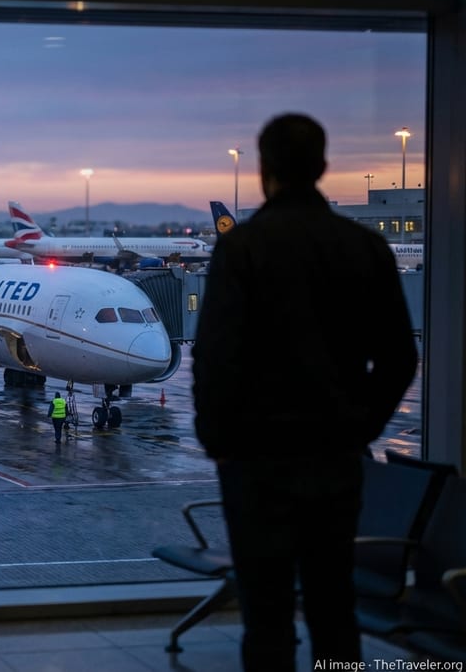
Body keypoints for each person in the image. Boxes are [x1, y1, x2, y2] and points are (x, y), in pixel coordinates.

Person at [191, 113, 418, 672]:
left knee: (265, 615)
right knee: (334, 605)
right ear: (322, 167)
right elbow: (399, 358)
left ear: (264, 169)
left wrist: (220, 442)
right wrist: (359, 427)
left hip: (256, 461)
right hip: (335, 457)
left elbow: (214, 358)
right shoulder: (364, 247)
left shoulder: (242, 249)